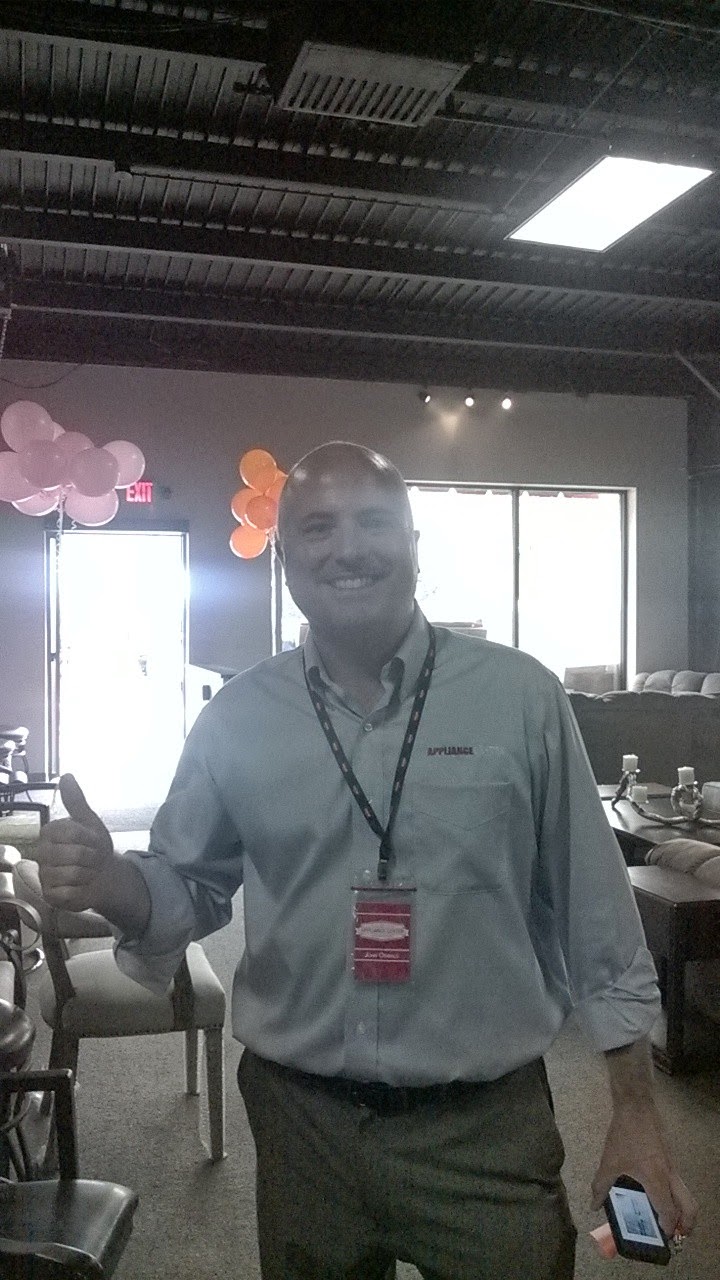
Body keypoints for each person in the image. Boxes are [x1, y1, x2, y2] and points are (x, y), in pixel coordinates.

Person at [34, 441, 696, 1279]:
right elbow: (186, 887)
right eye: (317, 528)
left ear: (414, 545)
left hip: (486, 1131)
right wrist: (114, 884)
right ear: (283, 558)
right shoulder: (237, 718)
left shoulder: (520, 698)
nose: (348, 548)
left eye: (374, 522)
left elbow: (595, 910)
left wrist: (635, 1112)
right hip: (301, 1127)